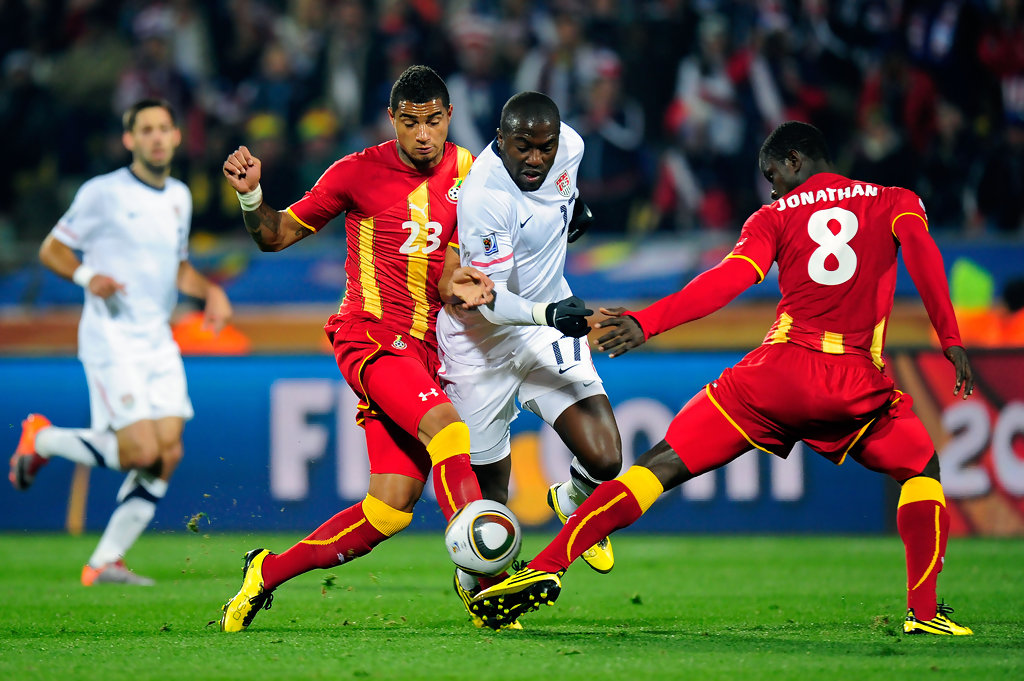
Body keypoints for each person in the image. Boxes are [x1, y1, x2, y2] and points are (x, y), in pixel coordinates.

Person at [469, 121, 975, 637]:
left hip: (774, 378)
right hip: (855, 385)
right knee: (920, 469)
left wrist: (648, 321)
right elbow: (925, 259)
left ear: (795, 160)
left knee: (655, 468)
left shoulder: (774, 216)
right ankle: (926, 614)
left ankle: (544, 566)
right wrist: (951, 341)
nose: (771, 186)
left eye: (772, 173)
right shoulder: (896, 200)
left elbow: (727, 280)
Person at [218, 65, 495, 632]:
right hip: (368, 334)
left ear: (449, 118)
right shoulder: (355, 172)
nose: (423, 135)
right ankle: (486, 583)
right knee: (448, 431)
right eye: (411, 122)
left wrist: (462, 284)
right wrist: (252, 201)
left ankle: (265, 573)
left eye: (434, 121)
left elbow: (447, 268)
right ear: (391, 119)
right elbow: (276, 236)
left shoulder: (471, 172)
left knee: (389, 509)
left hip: (425, 351)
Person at [8, 98, 232, 586]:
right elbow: (52, 248)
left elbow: (177, 266)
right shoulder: (102, 193)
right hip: (111, 338)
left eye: (163, 128)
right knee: (138, 453)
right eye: (144, 129)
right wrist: (89, 275)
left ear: (176, 137)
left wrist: (209, 289)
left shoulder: (178, 195)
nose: (155, 137)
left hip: (157, 338)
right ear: (129, 140)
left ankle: (105, 560)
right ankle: (41, 438)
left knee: (167, 452)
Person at [436, 91, 622, 621]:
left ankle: (571, 495)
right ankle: (477, 586)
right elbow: (489, 303)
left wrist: (571, 217)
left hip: (543, 329)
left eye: (546, 146)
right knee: (491, 509)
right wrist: (550, 315)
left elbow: (563, 202)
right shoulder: (483, 197)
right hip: (481, 344)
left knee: (606, 458)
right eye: (524, 147)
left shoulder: (573, 148)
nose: (536, 158)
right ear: (501, 139)